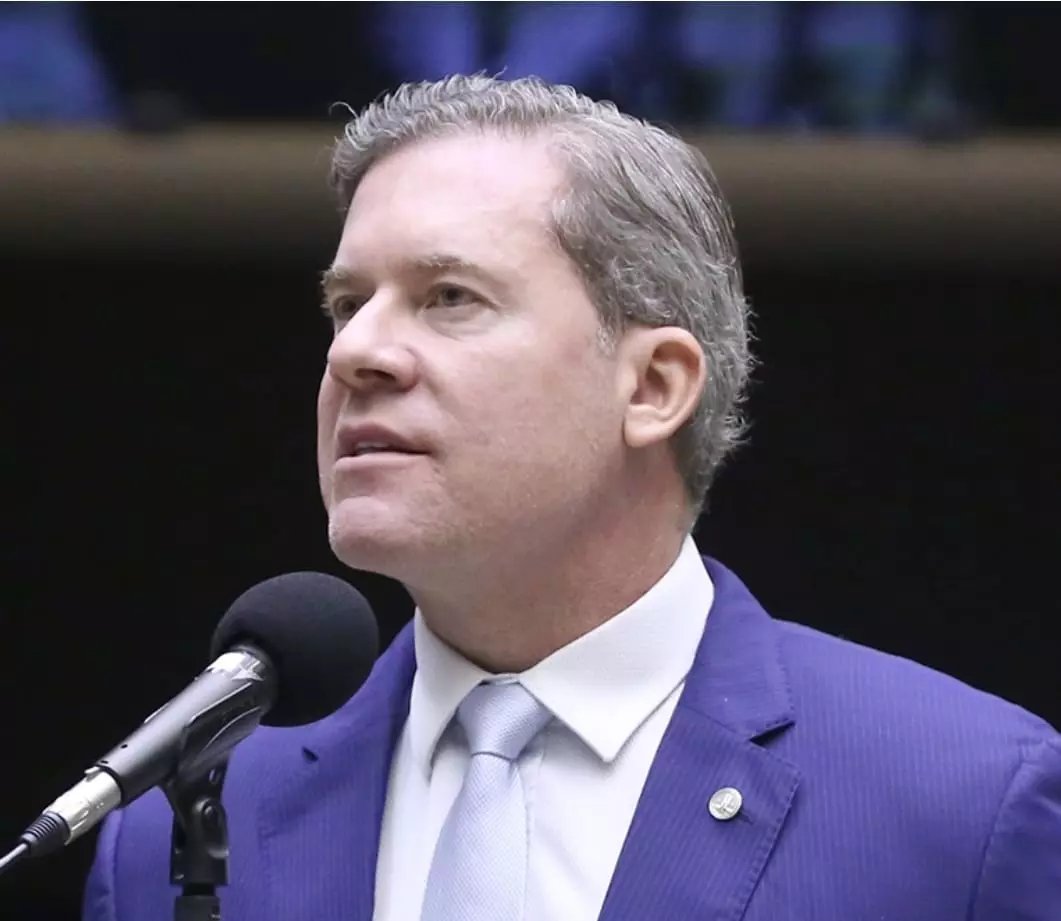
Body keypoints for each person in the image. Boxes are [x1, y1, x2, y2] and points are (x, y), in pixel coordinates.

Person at [83, 74, 1059, 921]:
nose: (356, 352)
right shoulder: (172, 833)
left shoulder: (960, 804)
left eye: (448, 297)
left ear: (652, 387)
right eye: (346, 305)